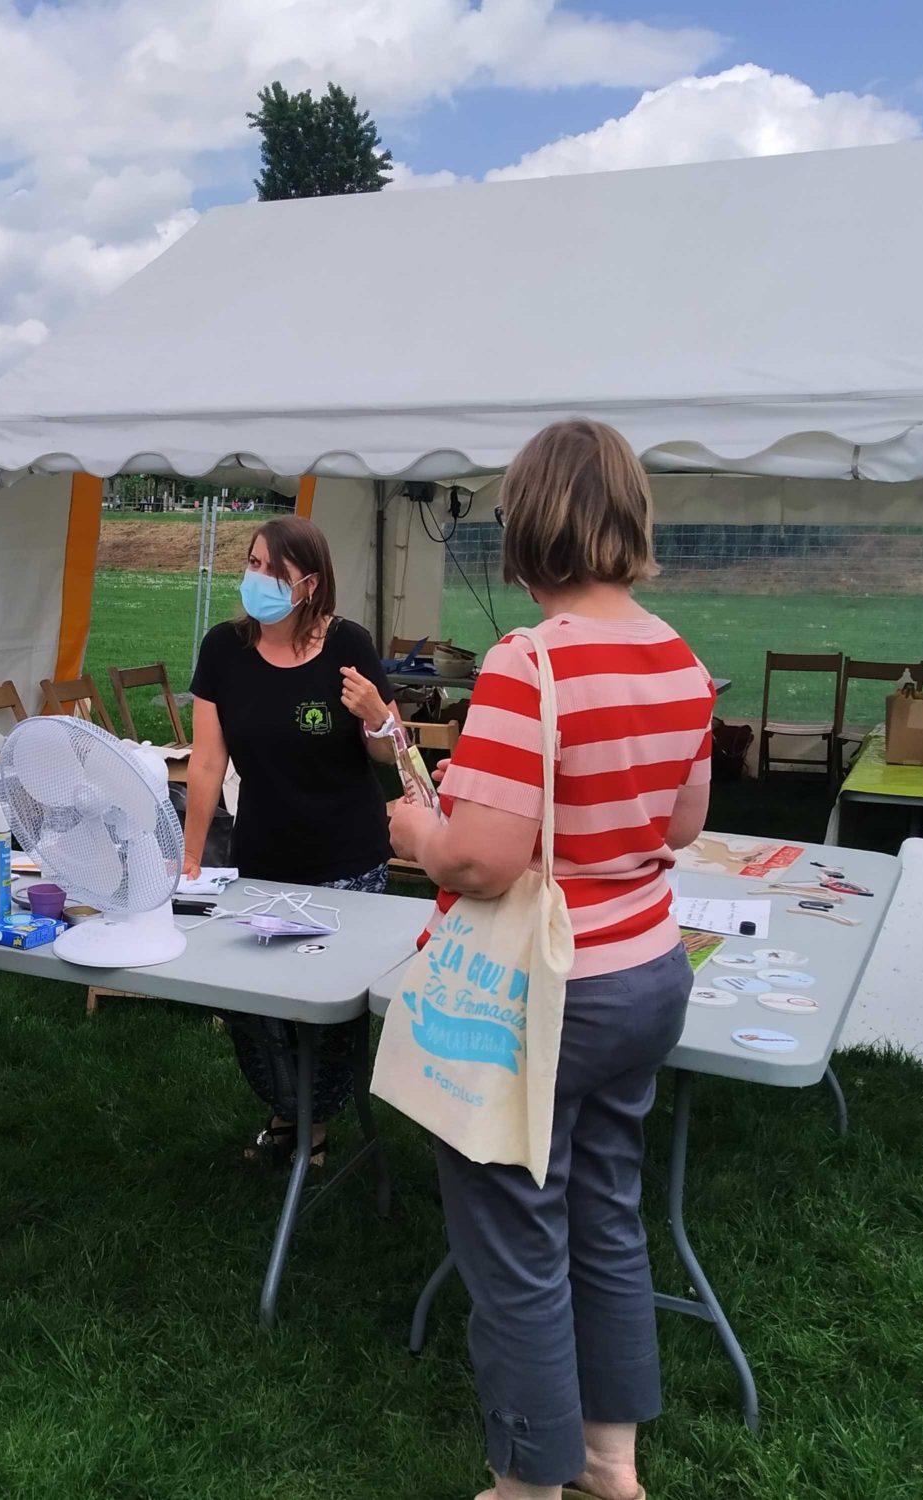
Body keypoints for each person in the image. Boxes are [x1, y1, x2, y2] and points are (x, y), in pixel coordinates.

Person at [388, 420, 715, 1500]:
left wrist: (414, 833)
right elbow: (677, 825)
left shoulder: (524, 664)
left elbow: (479, 858)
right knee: (605, 1217)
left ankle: (526, 1482)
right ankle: (609, 1464)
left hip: (547, 988)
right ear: (629, 516)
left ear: (527, 526)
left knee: (514, 1235)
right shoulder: (681, 661)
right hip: (648, 970)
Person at [182, 515, 400, 1166]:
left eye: (273, 571)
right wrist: (191, 859)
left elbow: (392, 757)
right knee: (260, 1005)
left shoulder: (348, 645)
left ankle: (314, 1122)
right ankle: (290, 1110)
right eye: (251, 563)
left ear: (309, 584)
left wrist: (376, 716)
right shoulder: (224, 649)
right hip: (263, 859)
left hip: (348, 861)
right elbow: (205, 764)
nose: (257, 579)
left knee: (325, 1008)